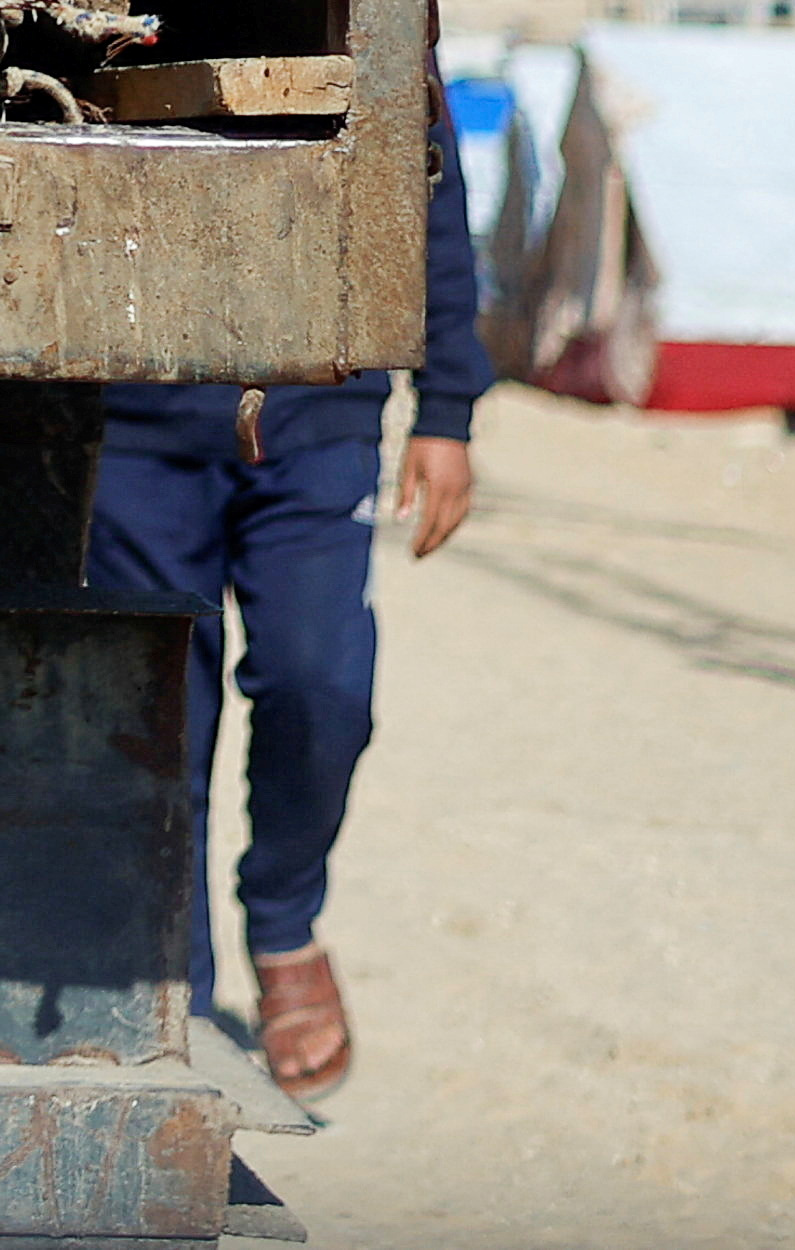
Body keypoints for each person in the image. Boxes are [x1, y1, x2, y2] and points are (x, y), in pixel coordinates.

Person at [89, 113, 489, 1097]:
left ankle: (282, 917)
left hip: (319, 409)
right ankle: (171, 987)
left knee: (322, 685)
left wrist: (446, 411)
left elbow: (426, 194)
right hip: (138, 415)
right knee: (157, 720)